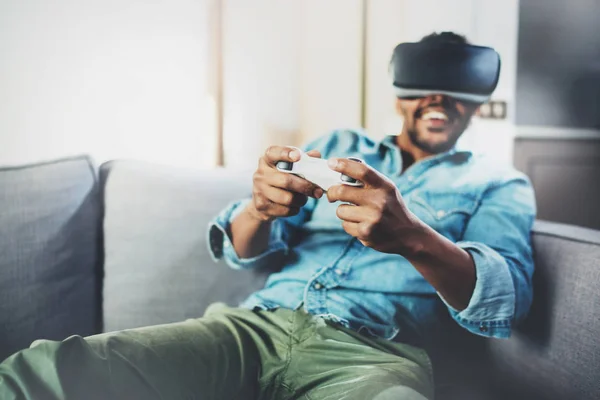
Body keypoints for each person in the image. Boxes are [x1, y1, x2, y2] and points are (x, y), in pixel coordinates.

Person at [0, 32, 535, 400]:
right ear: (401, 97)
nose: (437, 99)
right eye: (422, 88)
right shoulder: (338, 144)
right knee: (42, 371)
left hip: (374, 353)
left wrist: (413, 237)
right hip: (255, 326)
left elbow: (505, 300)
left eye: (456, 93)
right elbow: (245, 249)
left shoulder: (498, 182)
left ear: (478, 103)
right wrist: (259, 207)